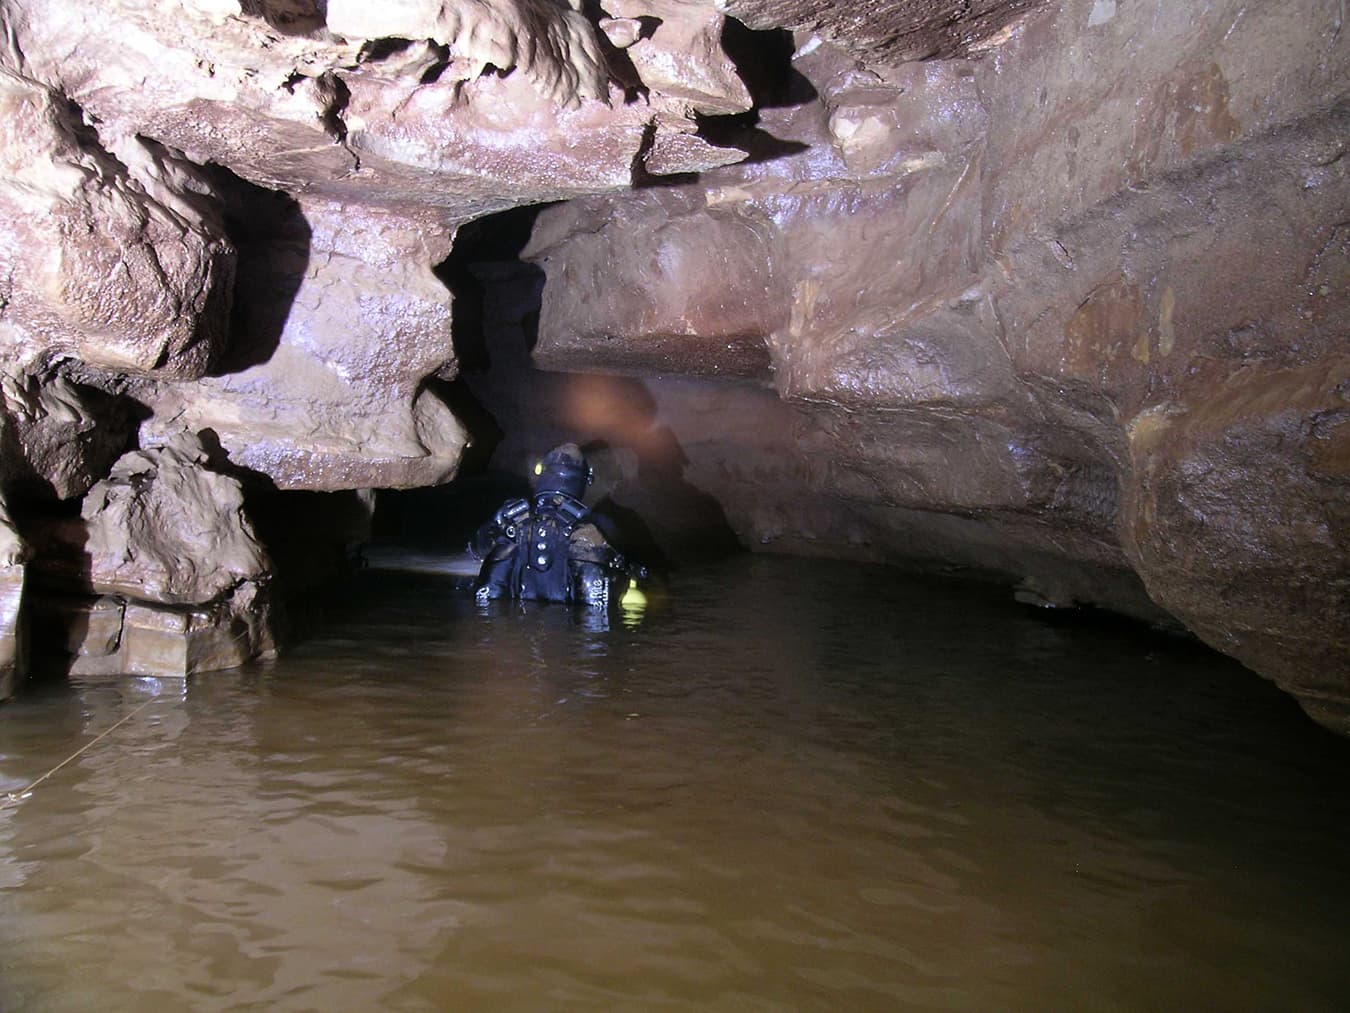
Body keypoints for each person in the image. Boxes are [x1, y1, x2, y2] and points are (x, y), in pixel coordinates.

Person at [469, 443, 641, 607]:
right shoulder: (595, 526)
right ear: (586, 479)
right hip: (576, 625)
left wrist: (494, 526)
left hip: (510, 622)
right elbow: (632, 566)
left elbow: (474, 551)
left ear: (542, 473)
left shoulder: (511, 521)